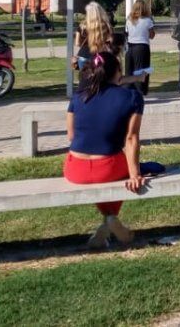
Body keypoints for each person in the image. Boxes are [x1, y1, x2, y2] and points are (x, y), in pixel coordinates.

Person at [64, 51, 145, 248]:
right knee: (121, 166)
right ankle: (111, 218)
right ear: (118, 72)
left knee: (106, 171)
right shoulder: (132, 97)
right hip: (107, 166)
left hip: (75, 168)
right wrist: (135, 174)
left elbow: (71, 136)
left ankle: (108, 223)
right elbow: (131, 138)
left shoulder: (78, 96)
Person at [124, 0, 156, 94]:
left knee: (129, 71)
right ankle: (140, 91)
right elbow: (152, 35)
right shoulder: (147, 21)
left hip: (130, 47)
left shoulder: (129, 20)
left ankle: (129, 91)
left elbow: (127, 33)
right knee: (141, 70)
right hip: (142, 47)